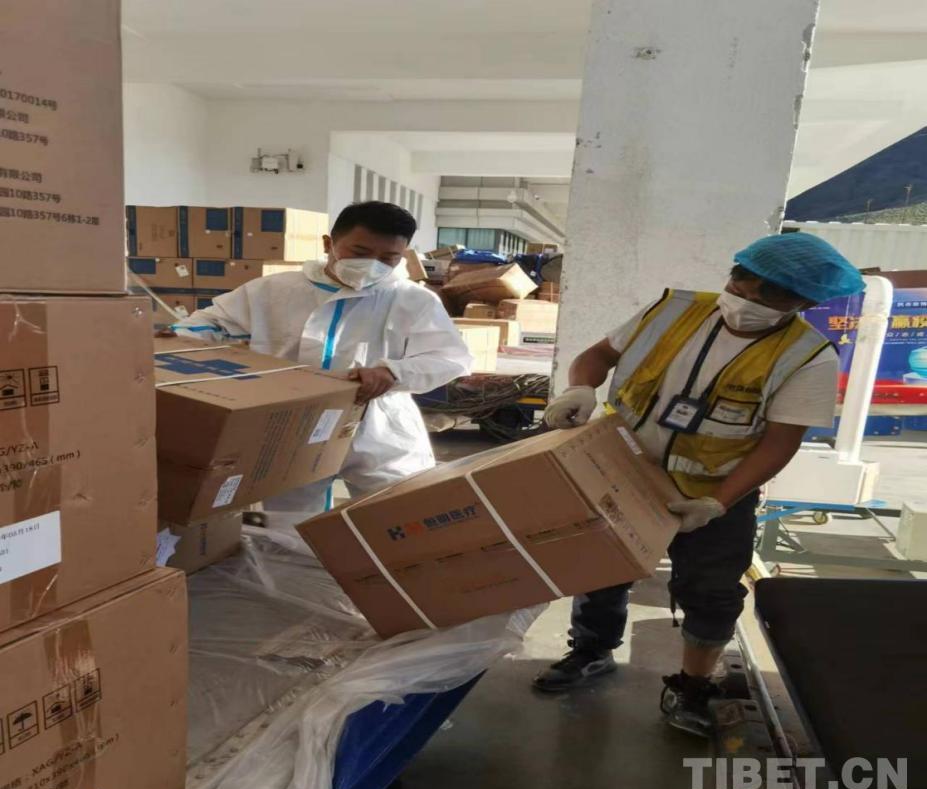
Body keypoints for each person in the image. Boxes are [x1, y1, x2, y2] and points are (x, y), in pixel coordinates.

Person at [534, 232, 864, 736]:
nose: (745, 302)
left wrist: (718, 502)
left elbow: (779, 444)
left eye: (768, 299)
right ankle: (592, 650)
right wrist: (580, 387)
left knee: (709, 590)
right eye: (739, 285)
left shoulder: (807, 358)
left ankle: (692, 685)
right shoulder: (673, 312)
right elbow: (598, 355)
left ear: (804, 304)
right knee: (603, 566)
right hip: (625, 469)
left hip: (715, 487)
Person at [173, 201, 472, 517]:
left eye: (388, 258)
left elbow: (450, 357)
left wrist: (392, 372)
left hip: (379, 426)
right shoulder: (274, 290)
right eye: (360, 253)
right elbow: (209, 324)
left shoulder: (412, 299)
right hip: (291, 423)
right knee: (289, 520)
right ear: (329, 244)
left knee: (398, 513)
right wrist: (175, 338)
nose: (372, 265)